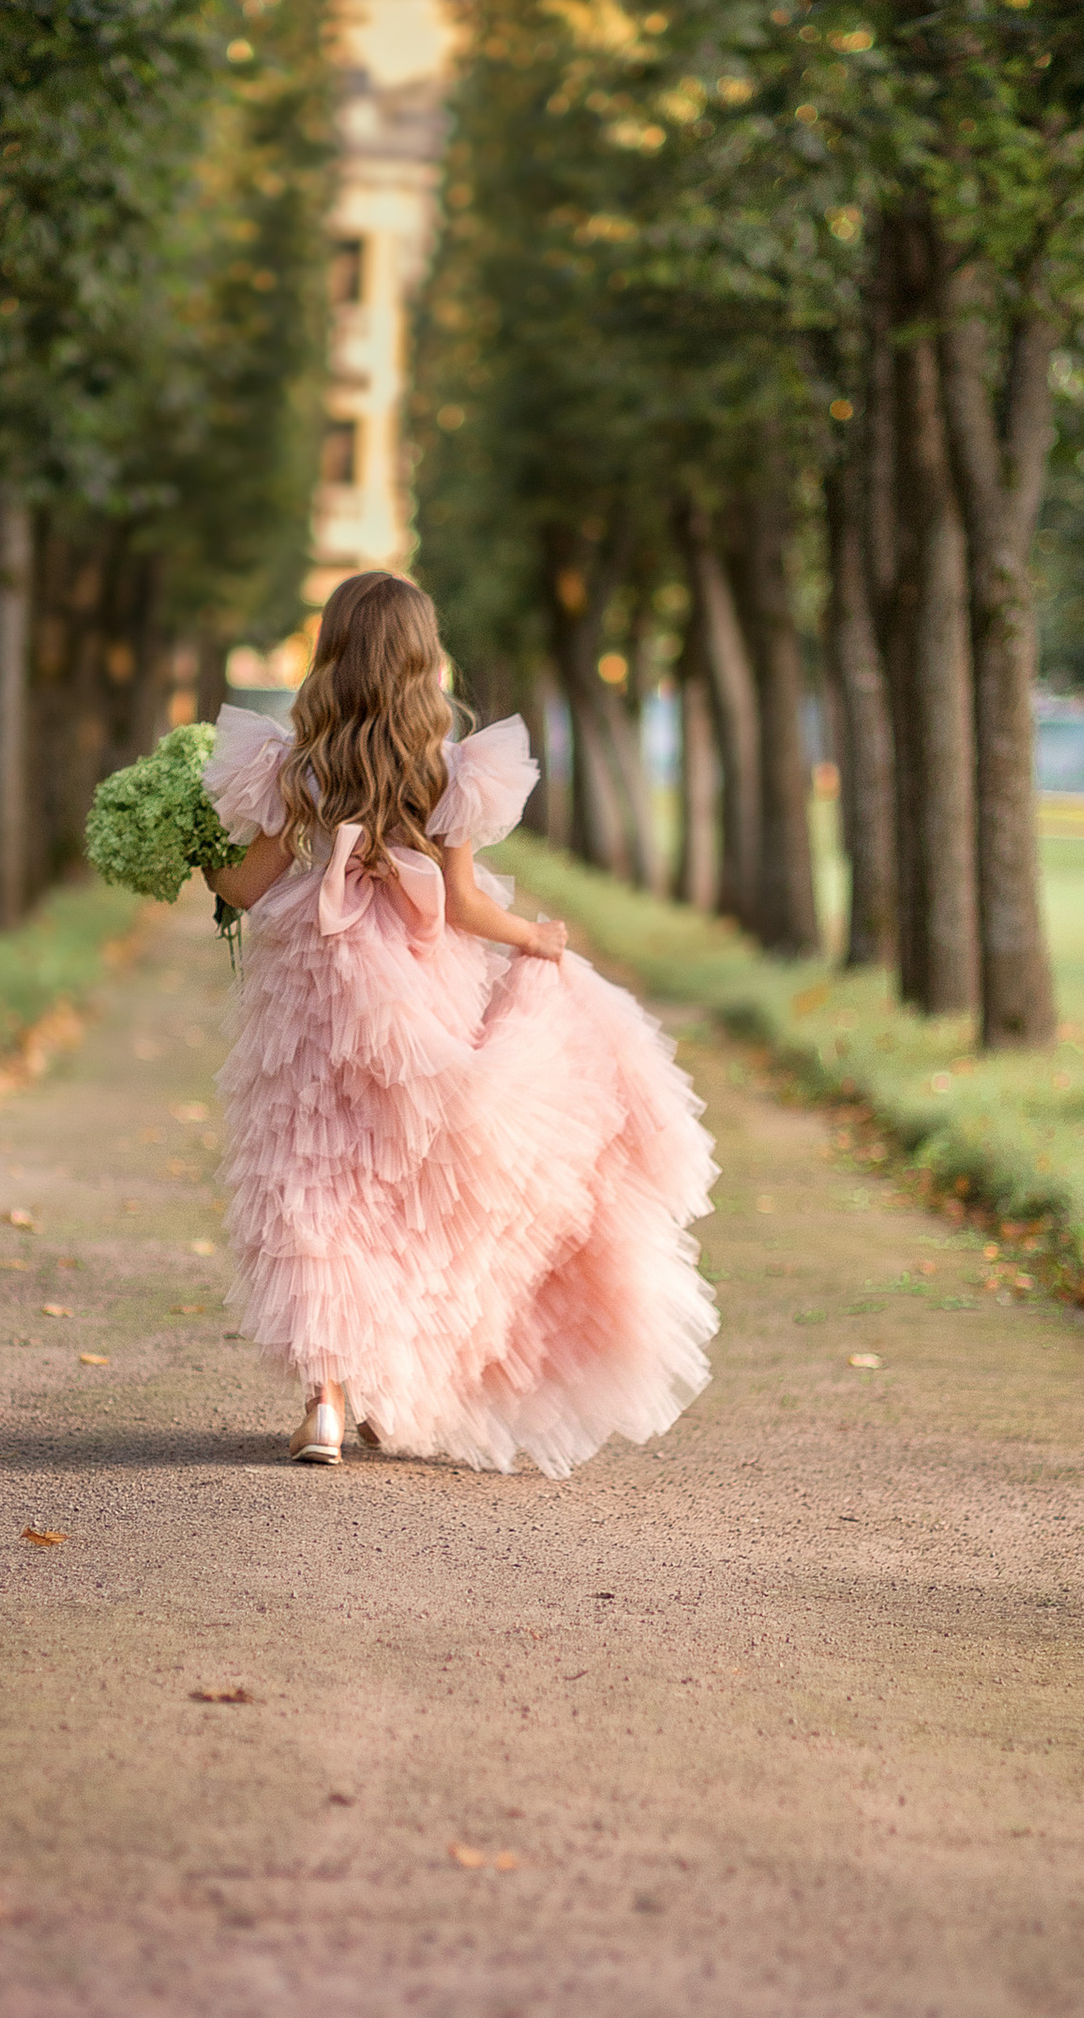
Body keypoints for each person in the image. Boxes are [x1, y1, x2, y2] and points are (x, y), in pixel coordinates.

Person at [201, 570, 717, 1472]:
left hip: (313, 998)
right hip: (417, 993)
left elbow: (245, 890)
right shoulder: (449, 767)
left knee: (313, 1183)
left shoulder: (292, 764)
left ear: (332, 654)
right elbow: (467, 905)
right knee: (398, 1187)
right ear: (419, 662)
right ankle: (378, 1390)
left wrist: (200, 857)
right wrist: (537, 936)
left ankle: (327, 1401)